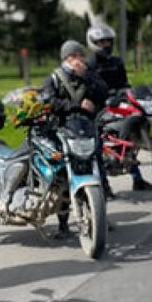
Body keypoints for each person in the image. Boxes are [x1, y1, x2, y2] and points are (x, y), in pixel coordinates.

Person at [40, 40, 109, 234]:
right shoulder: (54, 78)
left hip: (87, 128)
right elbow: (50, 102)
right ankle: (63, 224)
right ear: (67, 58)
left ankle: (101, 217)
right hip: (62, 130)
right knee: (63, 176)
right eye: (76, 56)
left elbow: (103, 93)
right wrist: (75, 106)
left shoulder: (88, 75)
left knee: (98, 171)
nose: (80, 59)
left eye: (81, 55)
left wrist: (88, 77)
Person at [86, 23, 152, 192]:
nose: (106, 45)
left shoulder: (117, 62)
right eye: (102, 42)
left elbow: (125, 83)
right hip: (100, 108)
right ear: (93, 42)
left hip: (119, 104)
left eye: (108, 42)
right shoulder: (89, 64)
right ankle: (104, 185)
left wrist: (132, 93)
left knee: (129, 138)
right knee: (98, 144)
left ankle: (137, 179)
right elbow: (89, 89)